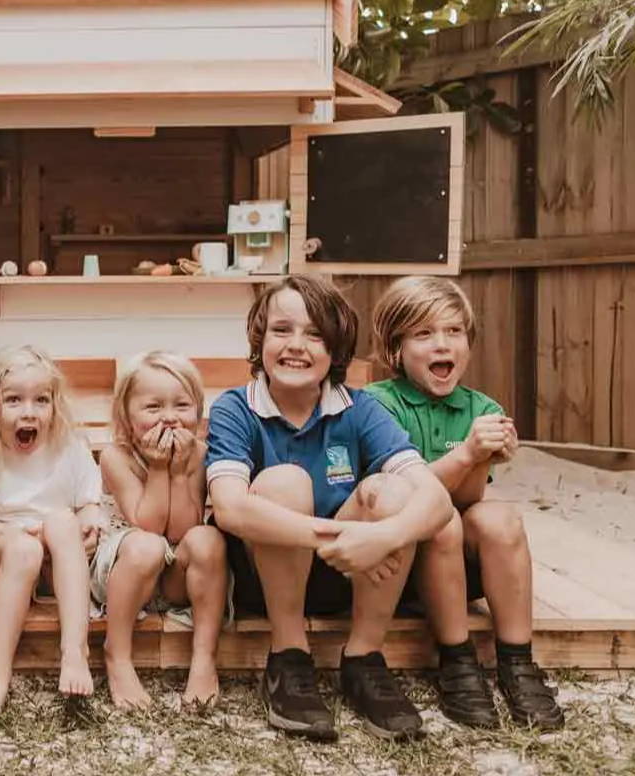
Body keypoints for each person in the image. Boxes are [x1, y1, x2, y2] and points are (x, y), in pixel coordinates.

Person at [205, 274, 458, 742]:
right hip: (268, 578)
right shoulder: (235, 408)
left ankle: (364, 658)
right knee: (284, 482)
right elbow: (230, 509)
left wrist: (382, 535)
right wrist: (338, 537)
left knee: (395, 492)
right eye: (282, 330)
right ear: (260, 339)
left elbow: (437, 500)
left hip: (355, 574)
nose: (296, 345)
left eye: (315, 334)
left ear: (336, 348)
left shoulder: (360, 409)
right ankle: (288, 657)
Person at [364, 276, 565, 730]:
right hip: (400, 562)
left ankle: (517, 662)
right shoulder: (377, 405)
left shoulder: (481, 407)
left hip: (458, 566)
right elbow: (412, 498)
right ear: (396, 348)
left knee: (500, 517)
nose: (443, 344)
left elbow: (470, 498)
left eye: (454, 332)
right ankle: (456, 659)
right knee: (440, 522)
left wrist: (480, 461)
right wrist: (467, 454)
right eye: (424, 334)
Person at [0, 344, 101, 725]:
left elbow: (89, 503)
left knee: (63, 521)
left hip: (57, 559)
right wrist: (16, 533)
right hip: (3, 554)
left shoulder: (69, 446)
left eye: (41, 400)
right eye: (14, 400)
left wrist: (89, 521)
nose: (29, 412)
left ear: (55, 404)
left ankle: (74, 650)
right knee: (23, 549)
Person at [92, 351, 227, 708]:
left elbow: (183, 530)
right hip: (126, 573)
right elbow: (148, 525)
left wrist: (180, 471)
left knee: (207, 538)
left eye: (181, 405)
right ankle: (117, 655)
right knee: (147, 546)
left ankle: (203, 658)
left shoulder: (199, 454)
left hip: (173, 577)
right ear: (126, 414)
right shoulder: (115, 457)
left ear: (198, 412)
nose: (169, 417)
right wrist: (157, 467)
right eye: (153, 407)